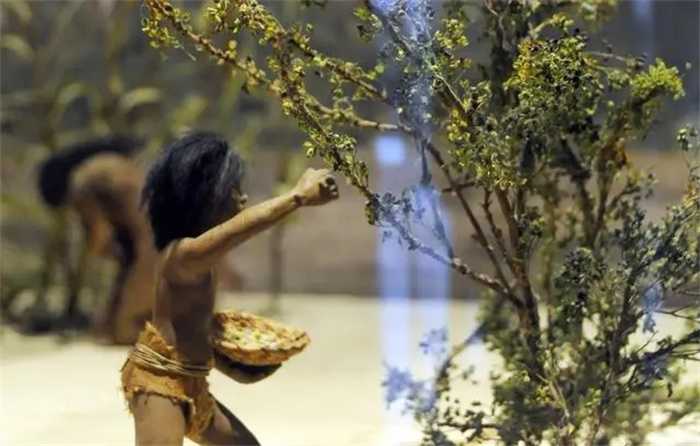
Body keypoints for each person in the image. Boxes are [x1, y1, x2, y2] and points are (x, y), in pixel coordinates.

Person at [121, 132, 339, 445]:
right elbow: (241, 228)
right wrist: (297, 197)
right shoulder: (184, 254)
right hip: (159, 382)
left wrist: (224, 359)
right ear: (208, 196)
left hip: (192, 380)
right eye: (234, 189)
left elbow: (186, 327)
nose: (243, 198)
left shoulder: (202, 260)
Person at [37, 136, 155, 342]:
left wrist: (97, 250)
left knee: (123, 331)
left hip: (154, 250)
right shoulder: (114, 165)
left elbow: (101, 236)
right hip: (171, 247)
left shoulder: (83, 179)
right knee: (107, 329)